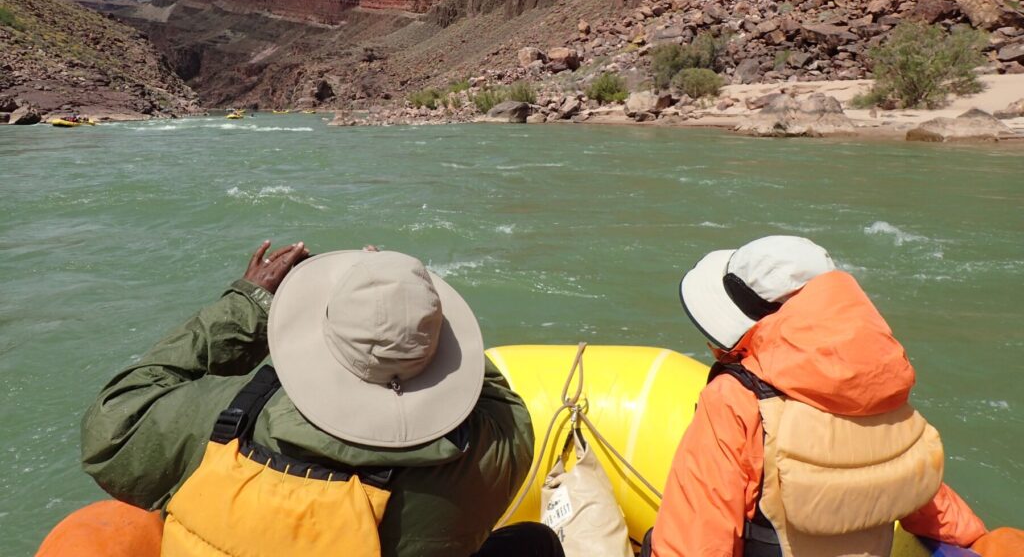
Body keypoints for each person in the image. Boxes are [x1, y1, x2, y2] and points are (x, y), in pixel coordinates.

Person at [80, 241, 563, 557]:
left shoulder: (218, 416)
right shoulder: (490, 454)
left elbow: (113, 420)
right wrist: (421, 319)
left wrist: (246, 305)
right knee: (533, 544)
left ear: (315, 329)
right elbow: (495, 393)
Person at [647, 235, 991, 557]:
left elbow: (693, 545)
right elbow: (924, 493)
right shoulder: (883, 381)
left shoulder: (736, 398)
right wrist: (978, 540)